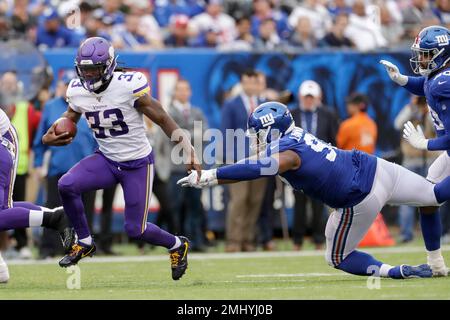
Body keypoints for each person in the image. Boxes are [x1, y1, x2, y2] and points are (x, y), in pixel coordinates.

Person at [178, 101, 450, 279]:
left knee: (337, 257)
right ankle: (436, 261)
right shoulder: (295, 134)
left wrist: (210, 176)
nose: (254, 139)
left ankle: (395, 272)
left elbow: (256, 169)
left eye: (257, 134)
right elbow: (254, 163)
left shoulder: (287, 154)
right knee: (433, 195)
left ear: (272, 132)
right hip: (376, 168)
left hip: (358, 197)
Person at [41, 37, 201, 281]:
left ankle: (177, 244)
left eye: (95, 69)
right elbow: (69, 119)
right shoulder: (77, 90)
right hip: (106, 158)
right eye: (85, 70)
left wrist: (188, 149)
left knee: (135, 229)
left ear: (108, 66)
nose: (90, 76)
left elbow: (162, 118)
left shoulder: (129, 85)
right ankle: (84, 241)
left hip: (136, 163)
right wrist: (49, 137)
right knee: (66, 184)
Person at [380, 25, 450, 276]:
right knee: (426, 200)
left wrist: (426, 144)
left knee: (431, 197)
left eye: (426, 54)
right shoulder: (439, 78)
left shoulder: (445, 81)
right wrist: (401, 80)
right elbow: (426, 86)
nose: (421, 59)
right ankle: (436, 263)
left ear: (442, 53)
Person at [0, 107, 75, 283]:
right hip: (5, 139)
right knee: (5, 208)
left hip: (3, 143)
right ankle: (53, 216)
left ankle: (54, 217)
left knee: (2, 211)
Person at [33, 70, 97, 259]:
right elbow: (40, 139)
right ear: (60, 86)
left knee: (85, 211)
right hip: (58, 168)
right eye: (65, 85)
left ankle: (83, 248)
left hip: (87, 168)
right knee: (54, 209)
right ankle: (48, 248)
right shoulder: (52, 106)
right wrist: (38, 164)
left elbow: (97, 137)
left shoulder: (88, 105)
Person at [221, 69, 267, 252]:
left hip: (261, 159)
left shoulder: (265, 105)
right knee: (239, 200)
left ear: (258, 84)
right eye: (247, 82)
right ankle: (234, 240)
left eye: (254, 82)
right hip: (238, 159)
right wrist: (228, 157)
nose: (251, 86)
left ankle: (248, 239)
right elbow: (225, 131)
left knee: (255, 200)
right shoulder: (231, 104)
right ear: (242, 83)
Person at [290, 80, 339, 250]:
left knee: (318, 205)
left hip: (321, 167)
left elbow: (334, 139)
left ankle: (318, 239)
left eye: (312, 97)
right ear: (300, 97)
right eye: (306, 97)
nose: (309, 100)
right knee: (299, 204)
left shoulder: (328, 114)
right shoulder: (292, 114)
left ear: (318, 97)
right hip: (297, 167)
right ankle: (297, 240)